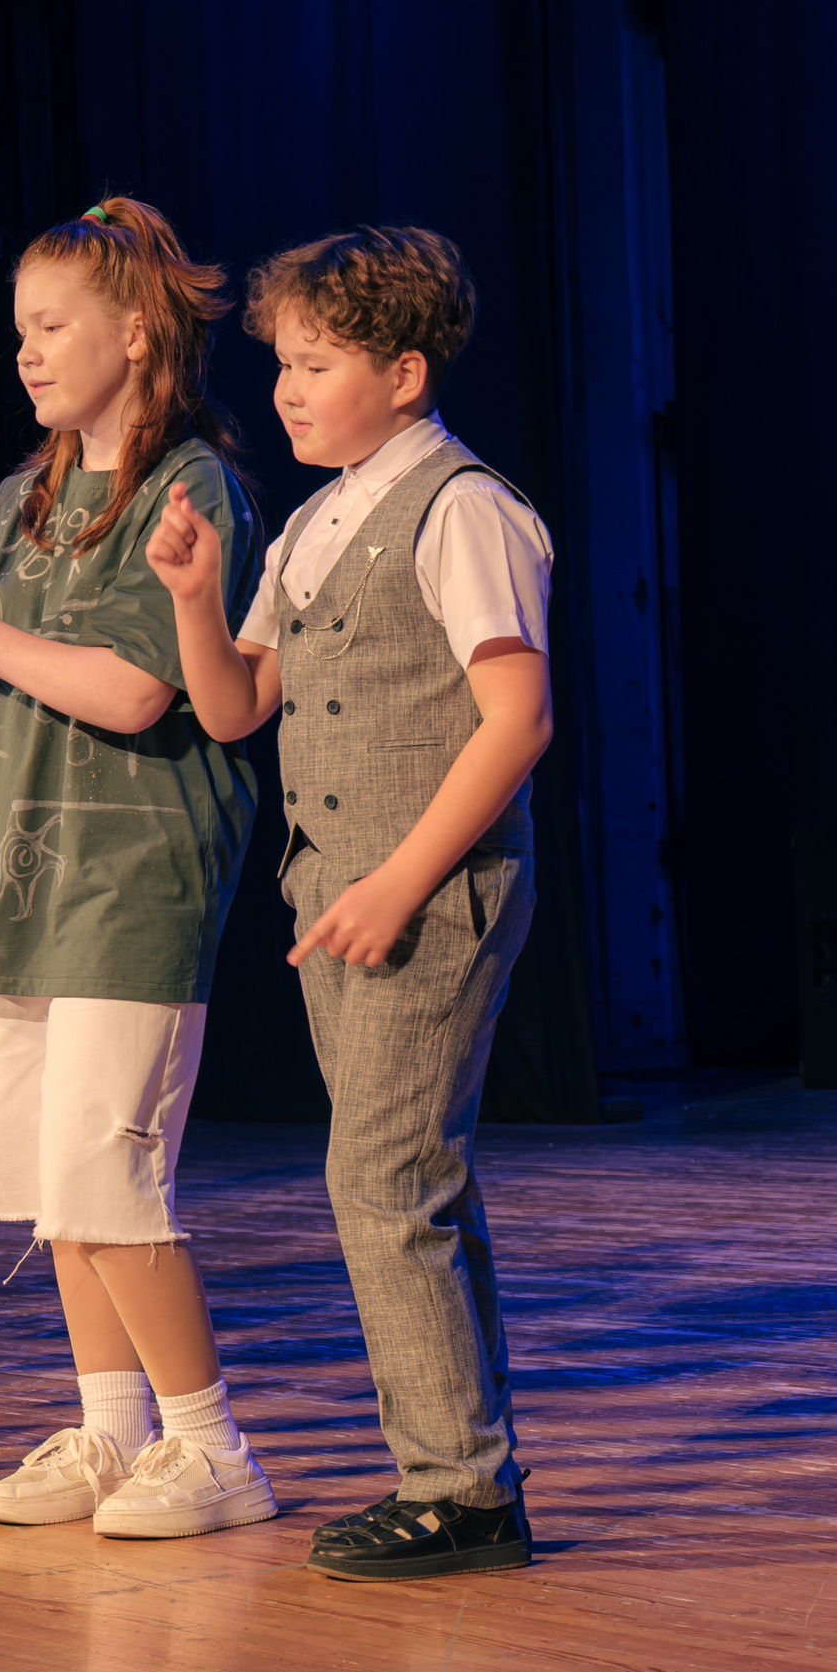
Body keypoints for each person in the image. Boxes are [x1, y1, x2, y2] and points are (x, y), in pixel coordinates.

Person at [0, 198, 277, 1541]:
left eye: (54, 326)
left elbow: (132, 692)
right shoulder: (18, 497)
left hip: (126, 882)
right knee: (56, 1193)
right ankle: (114, 1431)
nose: (29, 353)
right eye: (21, 330)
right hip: (18, 883)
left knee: (111, 1178)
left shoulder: (190, 482)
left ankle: (213, 1445)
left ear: (136, 329)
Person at [146, 225, 552, 1580]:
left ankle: (462, 1491)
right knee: (404, 1179)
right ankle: (462, 1469)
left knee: (382, 1177)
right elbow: (231, 705)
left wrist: (398, 877)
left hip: (424, 886)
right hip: (341, 889)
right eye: (284, 364)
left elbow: (516, 719)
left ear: (406, 369)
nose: (289, 389)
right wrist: (198, 599)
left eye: (319, 363)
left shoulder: (462, 508)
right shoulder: (320, 519)